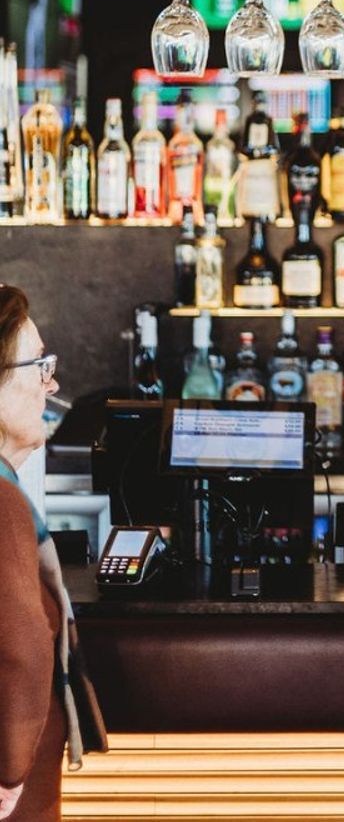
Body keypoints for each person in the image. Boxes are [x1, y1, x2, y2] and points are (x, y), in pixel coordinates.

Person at [0, 285, 105, 821]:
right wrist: (12, 771)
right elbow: (22, 647)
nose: (54, 384)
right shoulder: (2, 500)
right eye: (39, 367)